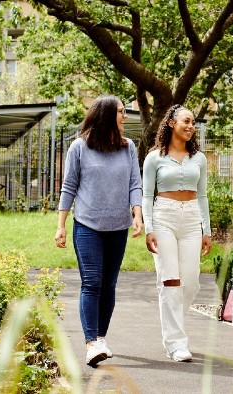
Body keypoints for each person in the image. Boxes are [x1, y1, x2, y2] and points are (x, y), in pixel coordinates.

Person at [55, 95, 143, 367]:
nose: (124, 116)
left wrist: (137, 214)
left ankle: (101, 338)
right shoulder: (79, 148)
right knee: (92, 282)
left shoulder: (128, 148)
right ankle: (91, 342)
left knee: (110, 285)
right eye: (120, 112)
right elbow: (69, 186)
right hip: (87, 226)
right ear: (106, 115)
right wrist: (61, 225)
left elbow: (134, 183)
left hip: (118, 227)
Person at [142, 104, 212, 362]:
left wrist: (208, 229)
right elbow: (147, 195)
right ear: (171, 123)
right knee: (170, 280)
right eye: (186, 121)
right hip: (164, 218)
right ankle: (176, 343)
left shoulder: (199, 159)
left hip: (192, 218)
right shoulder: (154, 158)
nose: (191, 126)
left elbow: (202, 195)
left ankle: (173, 325)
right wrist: (149, 228)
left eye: (193, 122)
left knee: (191, 281)